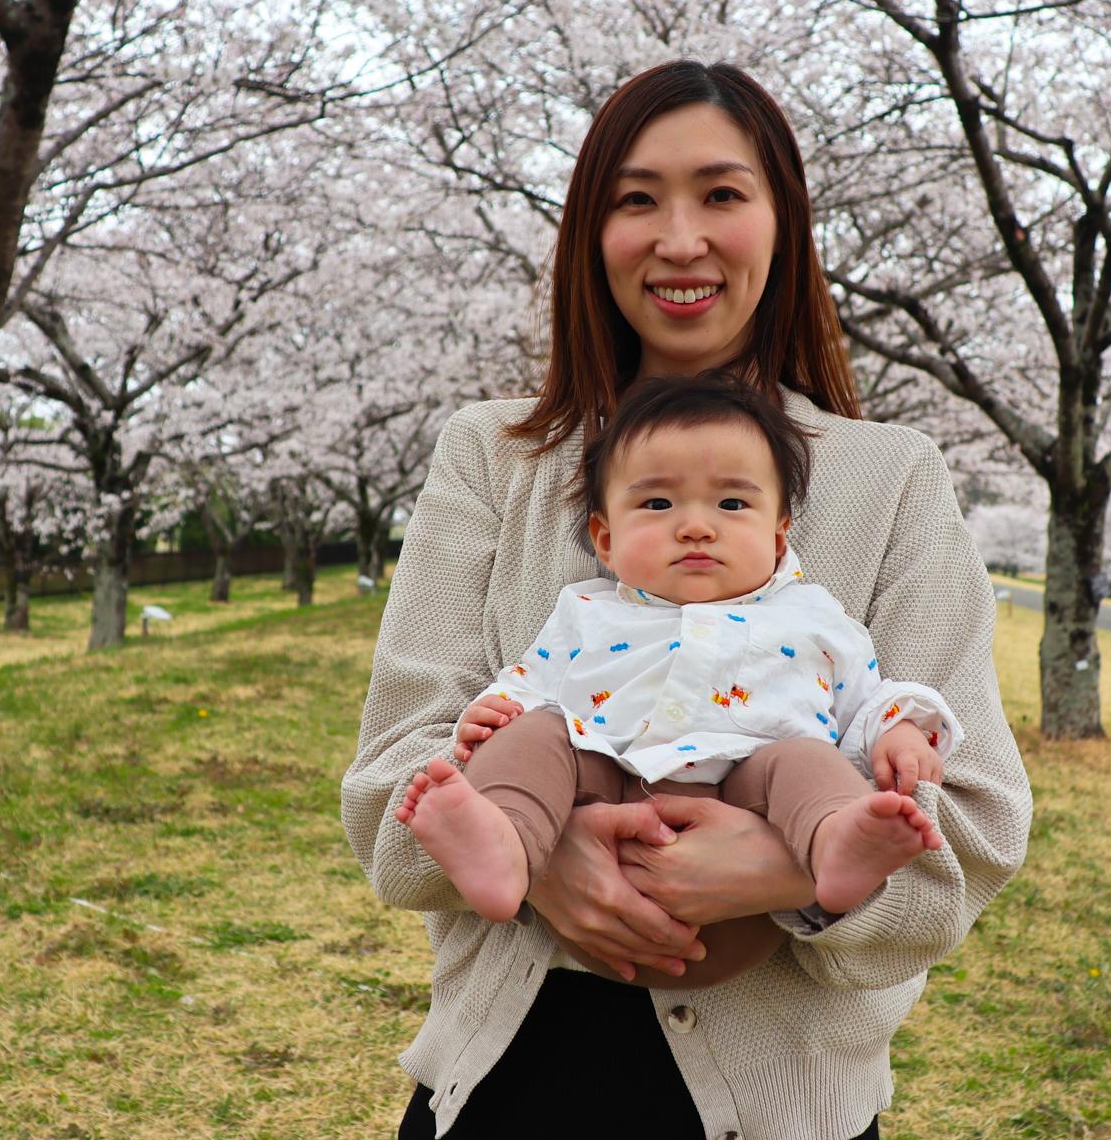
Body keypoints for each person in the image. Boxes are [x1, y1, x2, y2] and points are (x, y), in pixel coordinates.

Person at [341, 60, 1032, 1140]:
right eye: (635, 199)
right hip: (504, 1104)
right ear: (589, 232)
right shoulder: (492, 458)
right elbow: (387, 792)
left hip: (786, 1138)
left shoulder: (888, 477)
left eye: (720, 194)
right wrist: (540, 854)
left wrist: (784, 871)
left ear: (782, 221)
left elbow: (973, 824)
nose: (678, 239)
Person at [396, 374, 956, 924]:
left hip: (751, 788)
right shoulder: (586, 609)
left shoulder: (815, 615)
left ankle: (835, 842)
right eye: (659, 503)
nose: (695, 527)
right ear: (606, 540)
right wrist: (491, 714)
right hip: (604, 776)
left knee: (808, 762)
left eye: (731, 504)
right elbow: (528, 684)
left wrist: (899, 731)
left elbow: (865, 701)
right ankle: (506, 841)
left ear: (777, 537)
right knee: (537, 736)